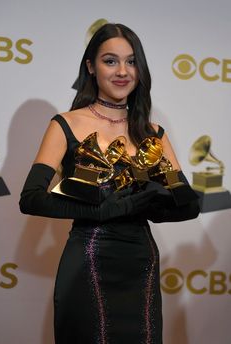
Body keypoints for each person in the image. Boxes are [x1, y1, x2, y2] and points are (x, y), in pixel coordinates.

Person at [19, 23, 200, 344]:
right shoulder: (66, 124)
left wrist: (154, 205)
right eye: (110, 60)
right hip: (88, 258)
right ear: (91, 66)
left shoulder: (153, 133)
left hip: (140, 261)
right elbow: (31, 199)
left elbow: (186, 206)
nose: (123, 71)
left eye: (131, 61)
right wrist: (104, 211)